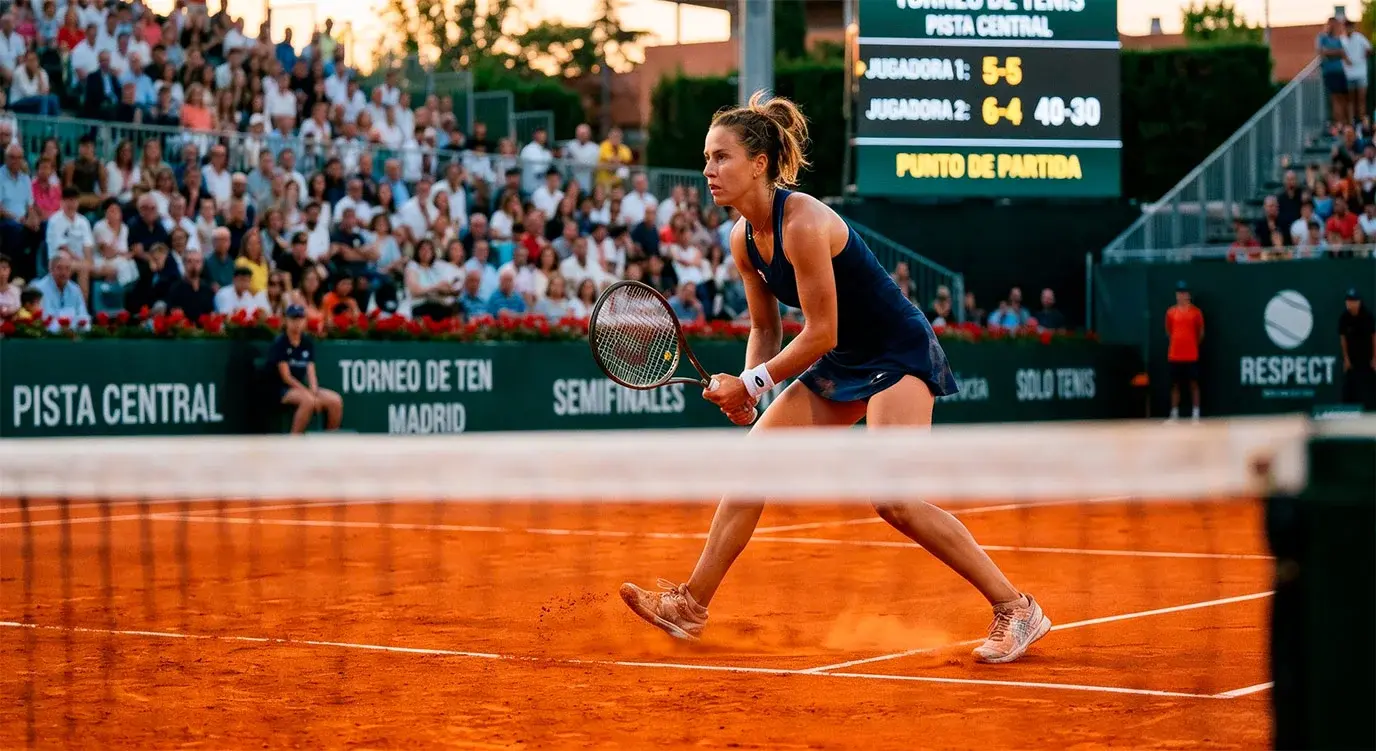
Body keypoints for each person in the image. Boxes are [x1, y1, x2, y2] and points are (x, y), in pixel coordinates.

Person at [617, 92, 1048, 664]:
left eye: (720, 158)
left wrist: (751, 386)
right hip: (845, 357)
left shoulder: (802, 223)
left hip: (897, 352)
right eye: (706, 158)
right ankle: (690, 606)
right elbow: (766, 331)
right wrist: (750, 385)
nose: (708, 171)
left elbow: (819, 330)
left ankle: (1017, 607)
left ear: (759, 164)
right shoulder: (742, 239)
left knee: (893, 499)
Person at [266, 303, 343, 434]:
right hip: (280, 389)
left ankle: (330, 440)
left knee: (335, 400)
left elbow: (311, 371)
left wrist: (313, 390)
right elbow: (286, 377)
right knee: (308, 401)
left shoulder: (307, 342)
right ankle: (294, 440)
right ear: (286, 321)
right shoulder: (280, 343)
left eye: (300, 319)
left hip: (301, 386)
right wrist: (308, 394)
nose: (297, 323)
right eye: (293, 319)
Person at [1165, 281, 1204, 422]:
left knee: (1194, 384)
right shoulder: (1170, 312)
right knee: (1175, 385)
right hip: (1175, 355)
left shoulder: (1196, 312)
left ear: (1188, 295)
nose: (1181, 295)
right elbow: (1169, 331)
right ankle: (1174, 414)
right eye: (1179, 293)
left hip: (1191, 355)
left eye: (1184, 292)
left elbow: (1200, 333)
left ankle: (1195, 414)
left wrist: (1191, 345)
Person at [1340, 288, 1376, 410]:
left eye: (1354, 301)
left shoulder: (1368, 316)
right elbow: (1343, 338)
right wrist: (1346, 358)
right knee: (1350, 388)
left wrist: (1375, 358)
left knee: (1368, 387)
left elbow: (1374, 337)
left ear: (1359, 302)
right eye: (1349, 301)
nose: (1351, 303)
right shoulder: (1344, 318)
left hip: (1367, 359)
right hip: (1352, 360)